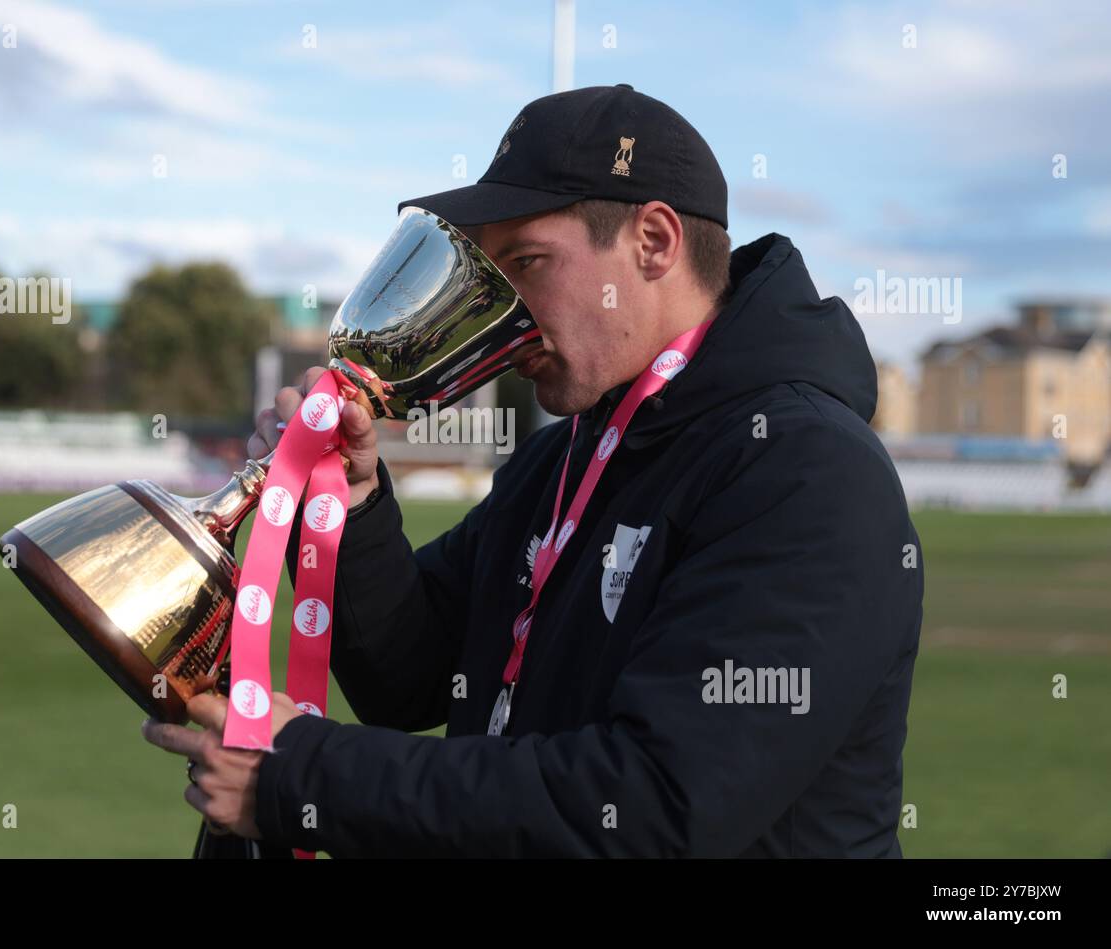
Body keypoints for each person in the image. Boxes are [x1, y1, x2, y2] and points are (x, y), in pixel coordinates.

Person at [142, 83, 924, 857]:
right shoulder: (566, 453)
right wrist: (350, 502)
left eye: (529, 262)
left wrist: (302, 780)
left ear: (653, 243)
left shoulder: (805, 471)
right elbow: (408, 678)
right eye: (491, 273)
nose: (502, 311)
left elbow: (656, 804)